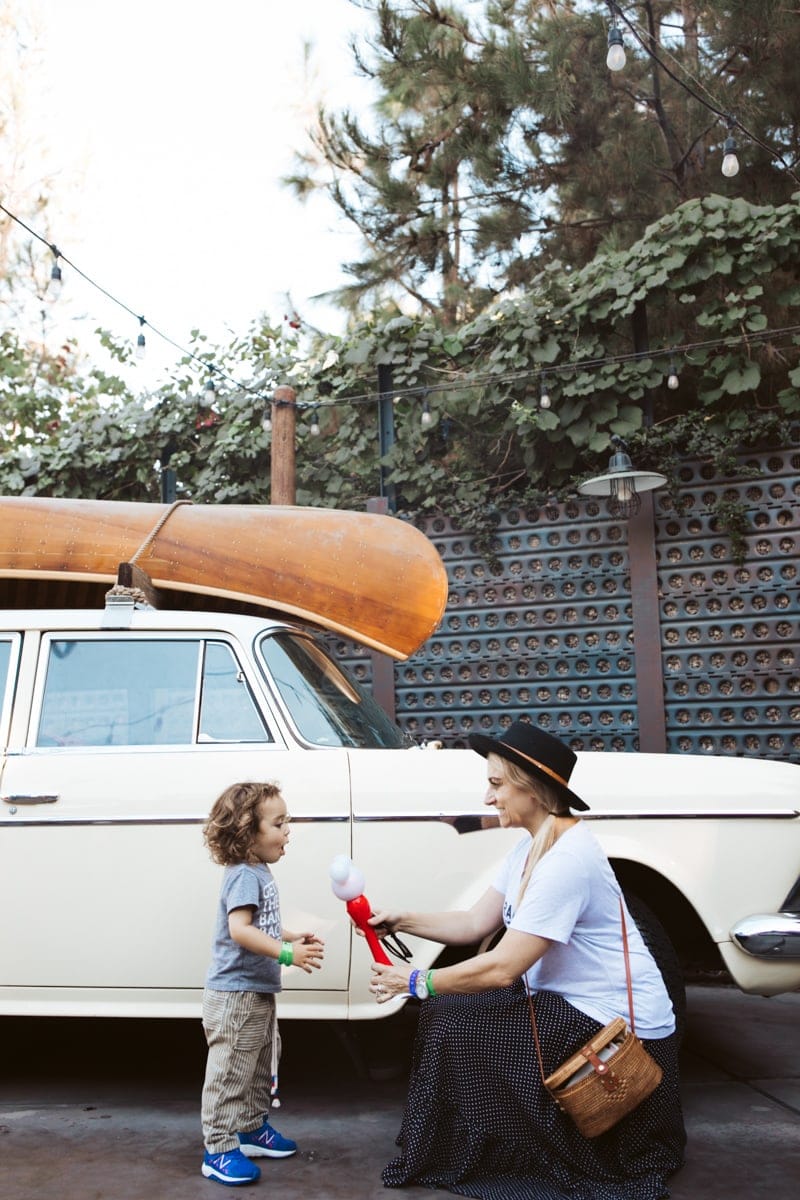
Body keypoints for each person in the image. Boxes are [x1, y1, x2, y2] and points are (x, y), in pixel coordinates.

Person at [367, 722, 686, 1200]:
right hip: (572, 1004)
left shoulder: (567, 860)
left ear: (533, 788)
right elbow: (475, 922)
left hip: (616, 1026)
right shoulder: (530, 846)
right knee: (449, 1014)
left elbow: (502, 968)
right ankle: (493, 1145)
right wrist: (402, 919)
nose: (487, 799)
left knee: (456, 1020)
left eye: (496, 784)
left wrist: (416, 981)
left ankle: (504, 1149)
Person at [199, 780, 325, 1187]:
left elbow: (262, 924)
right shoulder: (242, 875)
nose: (288, 830)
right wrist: (287, 955)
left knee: (256, 1066)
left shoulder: (259, 871)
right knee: (230, 1071)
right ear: (247, 831)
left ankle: (250, 1129)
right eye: (278, 823)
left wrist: (290, 937)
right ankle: (218, 1148)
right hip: (235, 995)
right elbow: (240, 930)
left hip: (256, 991)